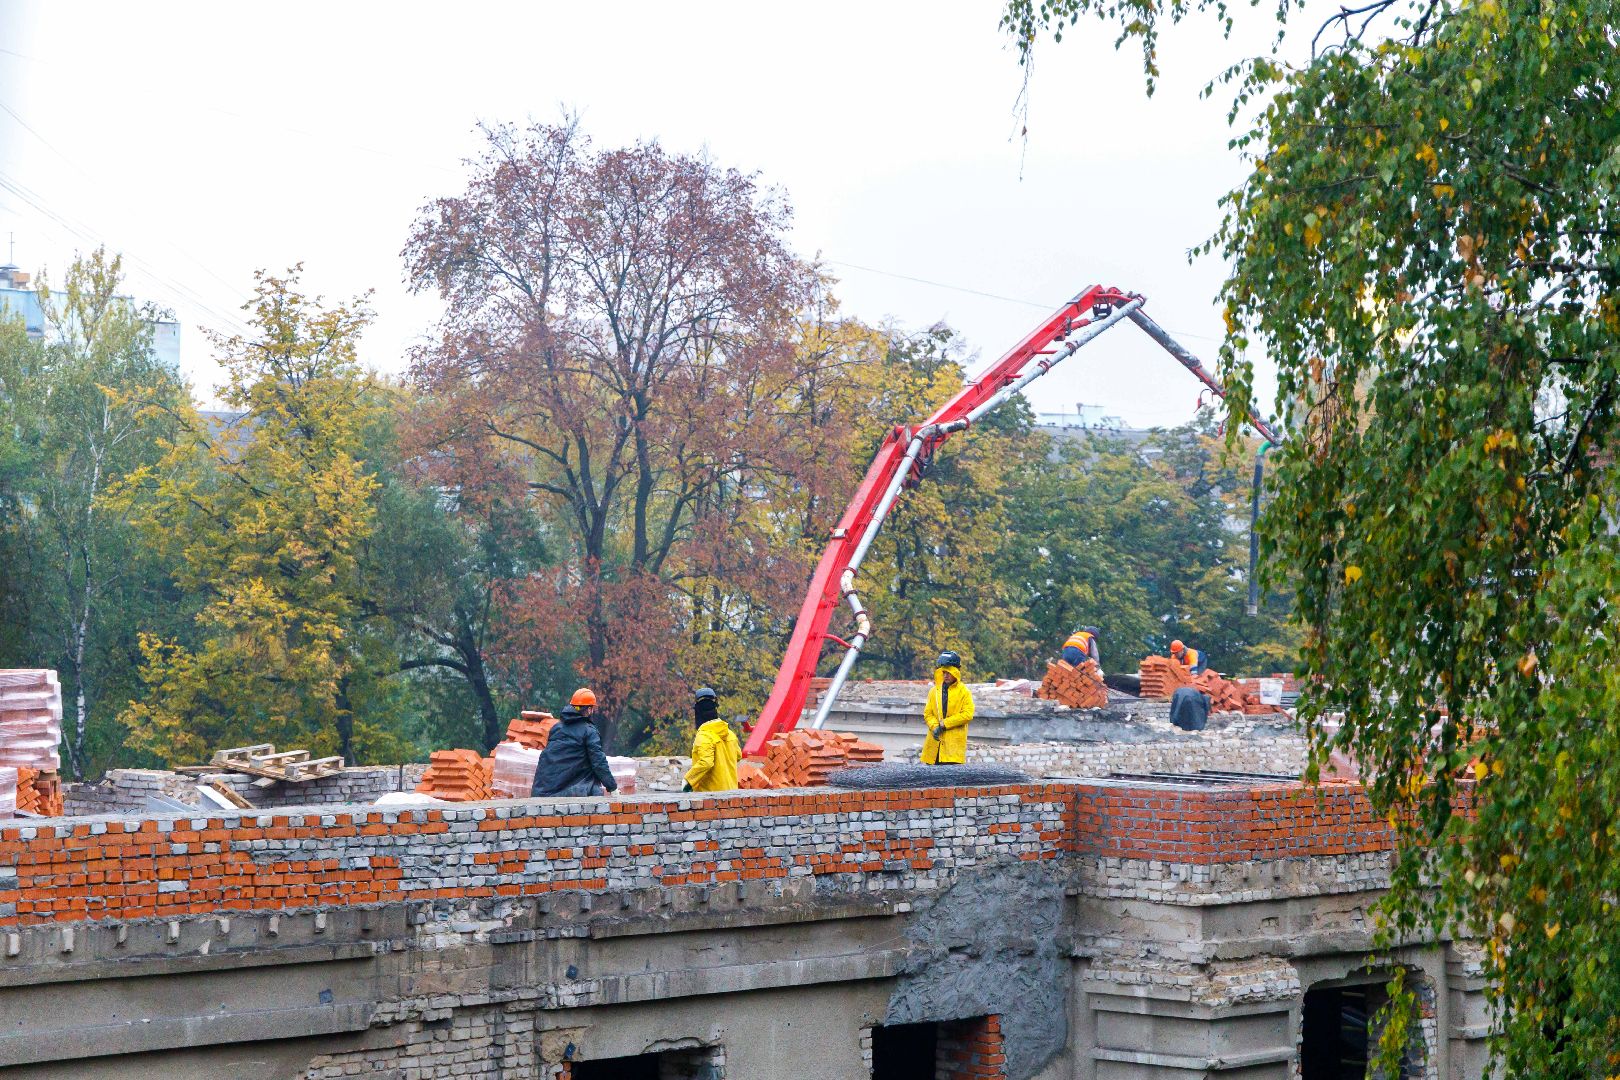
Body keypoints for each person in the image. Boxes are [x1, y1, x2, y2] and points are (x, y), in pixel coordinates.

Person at [530, 687, 618, 798]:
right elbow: (598, 762)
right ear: (589, 709)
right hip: (571, 795)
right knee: (592, 773)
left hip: (541, 793)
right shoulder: (589, 731)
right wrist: (612, 787)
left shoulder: (556, 728)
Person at [921, 650, 975, 765]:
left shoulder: (964, 692)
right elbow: (928, 713)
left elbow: (967, 714)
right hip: (934, 748)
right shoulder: (934, 691)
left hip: (953, 750)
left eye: (948, 672)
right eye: (943, 672)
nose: (945, 675)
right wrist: (935, 726)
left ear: (956, 673)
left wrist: (945, 724)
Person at [683, 687, 741, 792]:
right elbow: (738, 755)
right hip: (732, 795)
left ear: (698, 712)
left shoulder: (704, 737)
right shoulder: (730, 734)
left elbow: (706, 762)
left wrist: (687, 781)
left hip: (712, 799)